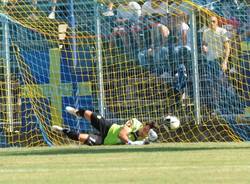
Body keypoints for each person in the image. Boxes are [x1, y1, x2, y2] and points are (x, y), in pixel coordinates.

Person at [52, 106, 158, 146]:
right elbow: (121, 135)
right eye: (147, 126)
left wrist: (144, 142)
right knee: (90, 114)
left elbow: (150, 142)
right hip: (109, 127)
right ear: (145, 124)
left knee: (82, 137)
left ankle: (62, 130)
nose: (146, 129)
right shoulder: (135, 122)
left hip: (105, 140)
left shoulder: (144, 139)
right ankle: (77, 112)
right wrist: (131, 143)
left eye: (149, 129)